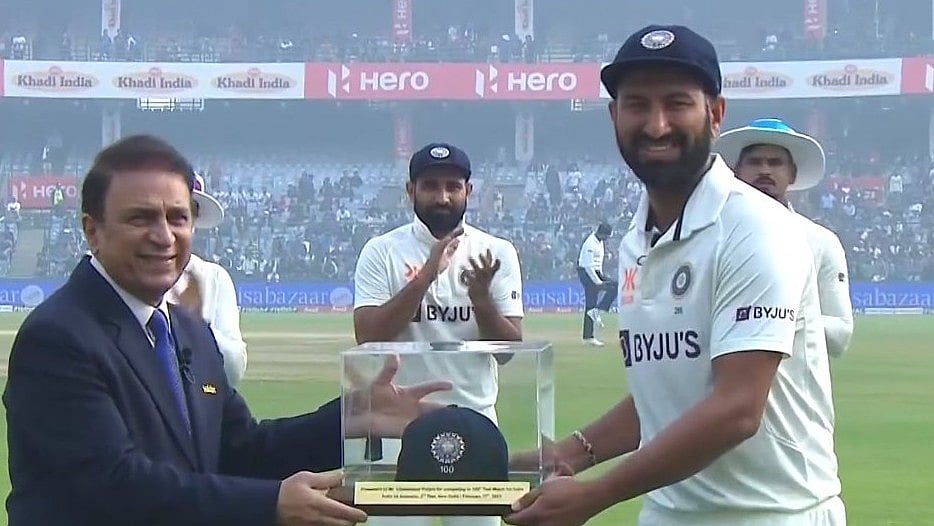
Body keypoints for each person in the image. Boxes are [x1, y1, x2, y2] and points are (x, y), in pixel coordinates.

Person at [3, 134, 452, 526]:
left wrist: (348, 417)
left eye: (178, 217)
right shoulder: (59, 339)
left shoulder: (188, 332)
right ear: (92, 231)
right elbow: (114, 485)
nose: (164, 236)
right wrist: (270, 505)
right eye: (141, 218)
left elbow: (239, 449)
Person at [504, 25, 844, 526]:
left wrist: (593, 496)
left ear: (716, 113)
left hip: (775, 514)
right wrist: (572, 453)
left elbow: (737, 409)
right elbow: (670, 389)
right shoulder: (636, 241)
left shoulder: (758, 228)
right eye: (637, 104)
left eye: (677, 103)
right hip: (670, 512)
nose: (657, 125)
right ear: (614, 116)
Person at [352, 141, 525, 526]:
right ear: (411, 190)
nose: (442, 196)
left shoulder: (496, 252)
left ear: (470, 191)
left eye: (453, 186)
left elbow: (509, 350)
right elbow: (368, 334)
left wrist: (481, 300)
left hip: (475, 421)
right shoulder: (382, 251)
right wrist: (427, 275)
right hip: (398, 424)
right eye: (430, 185)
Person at [716, 118, 854, 358]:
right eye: (755, 162)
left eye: (775, 163)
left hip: (795, 392)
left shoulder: (820, 242)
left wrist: (771, 315)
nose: (765, 170)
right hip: (723, 390)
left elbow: (840, 335)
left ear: (792, 174)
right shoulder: (710, 235)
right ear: (735, 172)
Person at [167, 172, 249, 386]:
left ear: (194, 223)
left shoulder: (215, 279)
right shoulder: (129, 279)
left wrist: (195, 324)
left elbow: (234, 371)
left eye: (182, 216)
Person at [576, 222, 617, 346]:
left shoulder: (600, 242)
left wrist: (602, 276)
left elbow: (597, 263)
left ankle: (596, 314)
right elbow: (588, 267)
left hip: (596, 272)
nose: (607, 238)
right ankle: (589, 335)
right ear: (601, 233)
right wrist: (598, 282)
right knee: (591, 303)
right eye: (606, 236)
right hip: (586, 273)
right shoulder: (590, 243)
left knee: (614, 287)